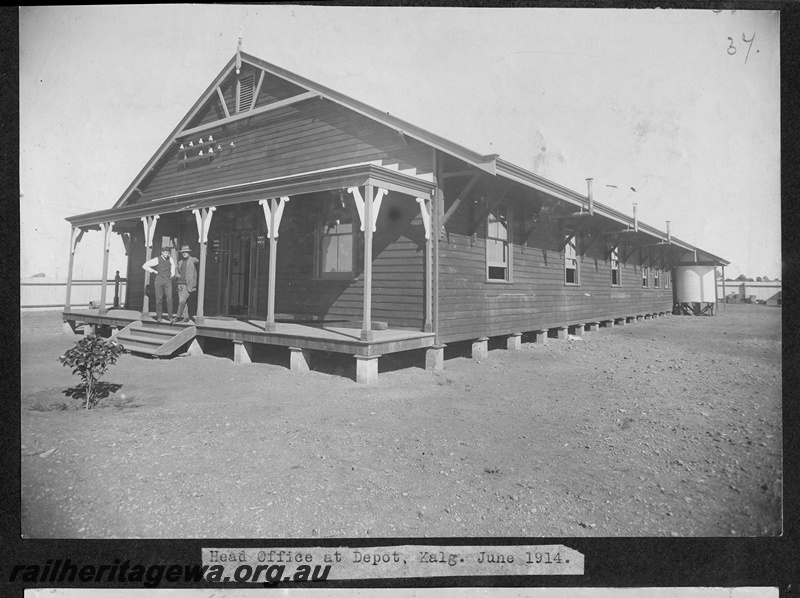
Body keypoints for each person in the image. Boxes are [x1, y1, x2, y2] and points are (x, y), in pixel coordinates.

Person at [142, 246, 177, 323]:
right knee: (159, 299)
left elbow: (173, 266)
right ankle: (159, 316)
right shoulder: (157, 259)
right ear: (162, 252)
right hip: (159, 280)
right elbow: (145, 265)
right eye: (166, 253)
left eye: (168, 253)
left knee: (170, 298)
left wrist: (173, 273)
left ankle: (170, 317)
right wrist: (154, 271)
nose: (167, 254)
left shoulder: (170, 259)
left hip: (168, 280)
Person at [176, 245, 200, 323]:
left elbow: (198, 261)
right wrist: (177, 274)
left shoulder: (192, 260)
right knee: (184, 302)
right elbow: (176, 269)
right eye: (183, 252)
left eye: (186, 252)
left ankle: (178, 317)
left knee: (182, 301)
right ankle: (186, 318)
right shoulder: (180, 262)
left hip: (188, 285)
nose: (184, 253)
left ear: (189, 252)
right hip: (180, 284)